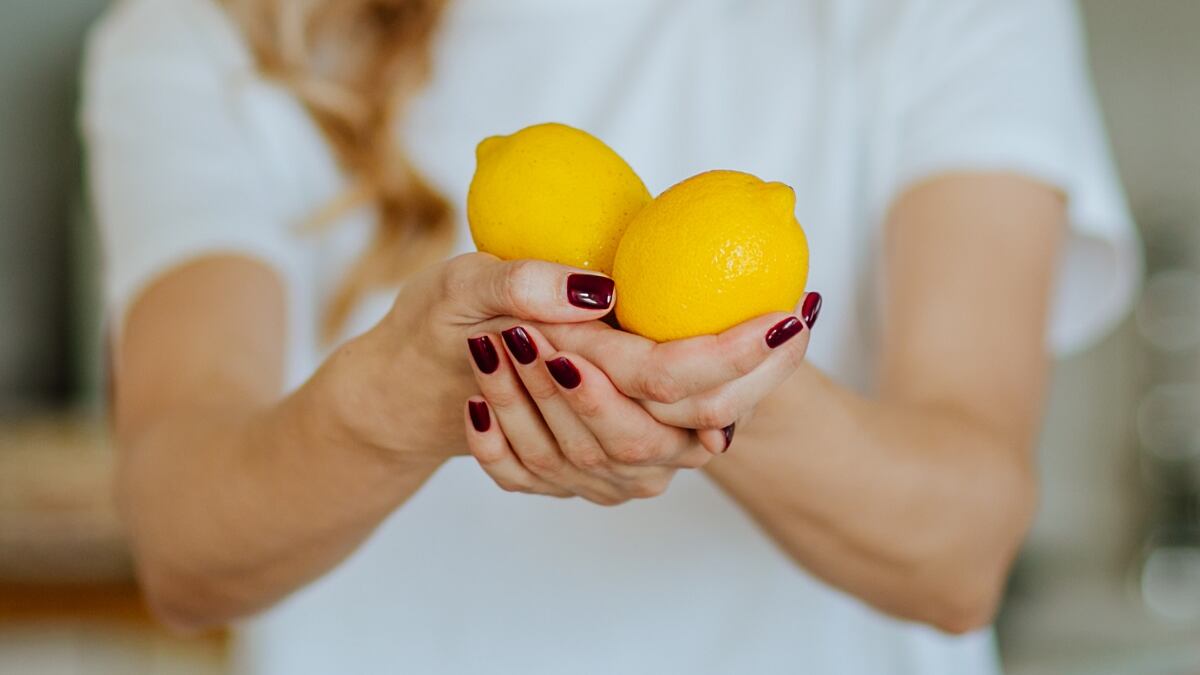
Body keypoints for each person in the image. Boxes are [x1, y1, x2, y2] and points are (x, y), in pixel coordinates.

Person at [82, 0, 1140, 673]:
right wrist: (387, 401)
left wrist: (719, 385)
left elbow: (961, 550)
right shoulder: (205, 36)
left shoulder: (942, 15)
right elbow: (183, 546)